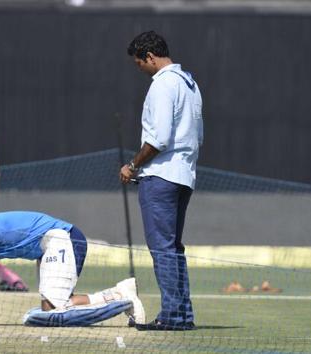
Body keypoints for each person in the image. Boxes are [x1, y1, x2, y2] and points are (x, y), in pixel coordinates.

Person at [0, 211, 145, 327]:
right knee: (49, 309)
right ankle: (118, 294)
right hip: (50, 246)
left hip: (63, 239)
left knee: (55, 310)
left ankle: (122, 297)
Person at [120, 31, 203, 331]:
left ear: (150, 57)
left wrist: (132, 165)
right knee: (173, 248)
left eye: (139, 63)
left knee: (162, 249)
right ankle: (182, 314)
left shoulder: (163, 85)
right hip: (184, 175)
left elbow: (160, 138)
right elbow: (197, 135)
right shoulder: (189, 83)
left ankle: (172, 316)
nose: (139, 69)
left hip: (162, 176)